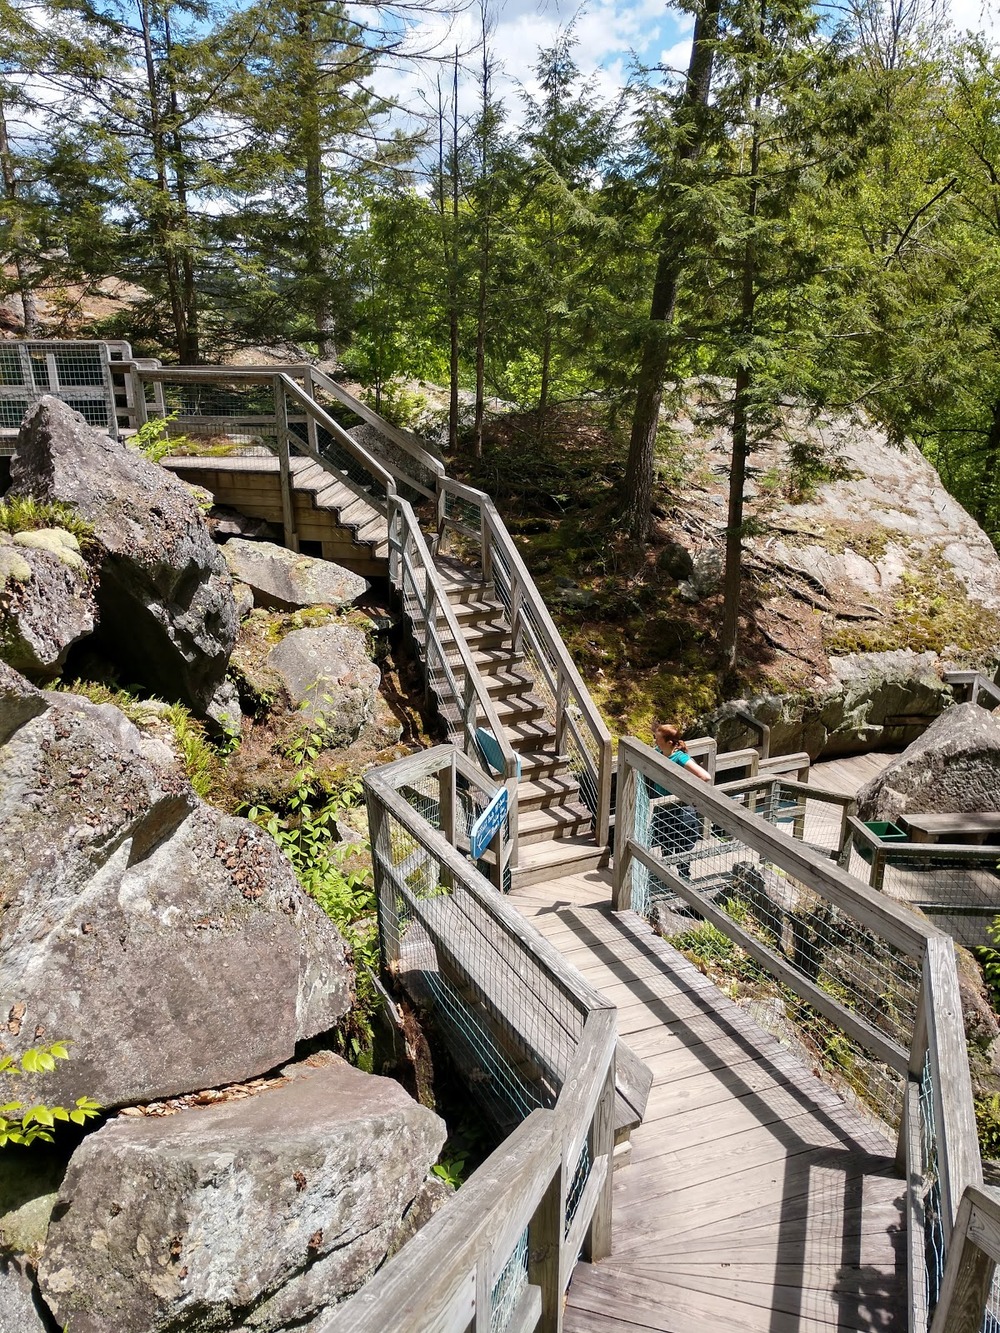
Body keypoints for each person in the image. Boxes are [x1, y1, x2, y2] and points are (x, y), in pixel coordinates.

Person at [649, 723, 711, 882]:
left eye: (658, 739)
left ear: (669, 742)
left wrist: (687, 794)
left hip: (681, 809)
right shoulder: (659, 752)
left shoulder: (680, 757)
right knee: (666, 842)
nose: (655, 741)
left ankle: (684, 878)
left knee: (683, 845)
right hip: (664, 806)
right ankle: (666, 876)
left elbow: (705, 776)